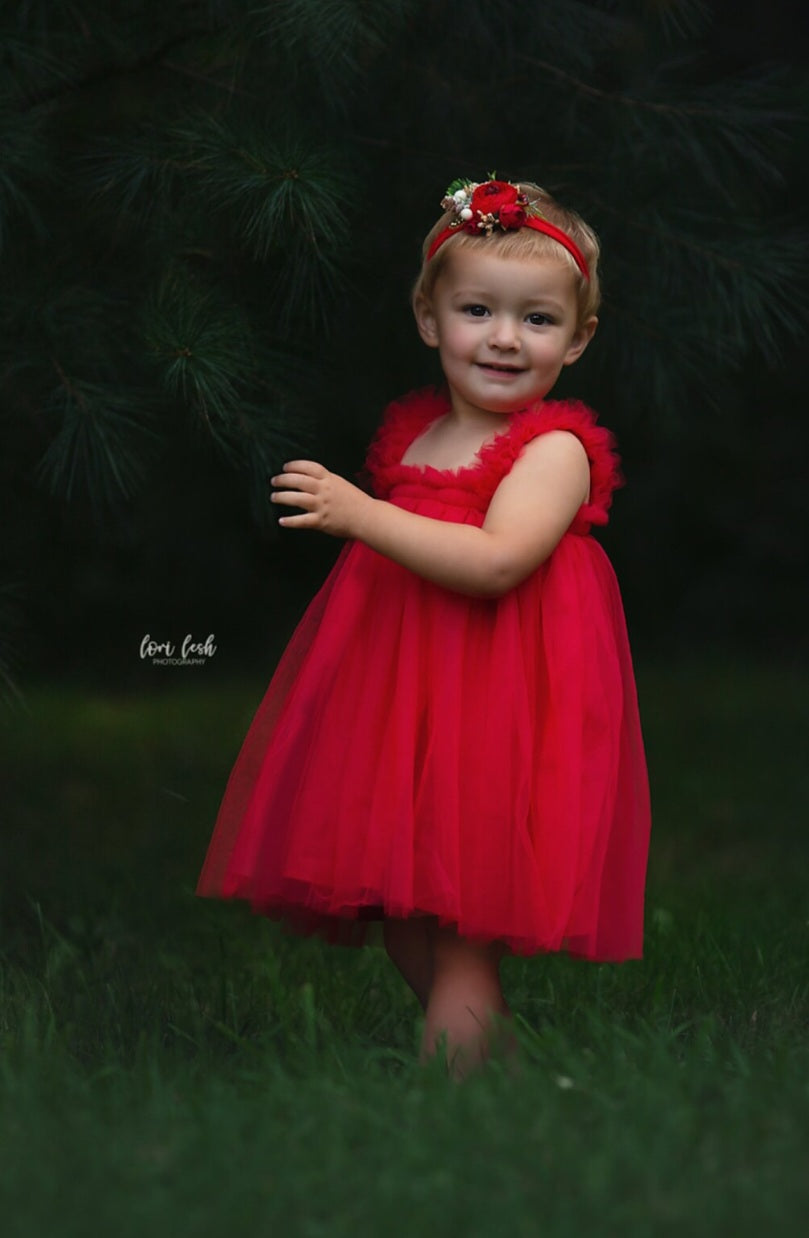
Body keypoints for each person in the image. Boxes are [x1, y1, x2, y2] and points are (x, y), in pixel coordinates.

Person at [197, 176, 652, 1082]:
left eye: (536, 320)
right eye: (477, 309)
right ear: (427, 316)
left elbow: (493, 564)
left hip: (499, 714)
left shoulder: (550, 449)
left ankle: (460, 1115)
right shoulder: (414, 435)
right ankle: (499, 1069)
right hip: (403, 713)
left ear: (578, 339)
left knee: (465, 937)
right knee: (405, 914)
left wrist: (360, 515)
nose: (502, 338)